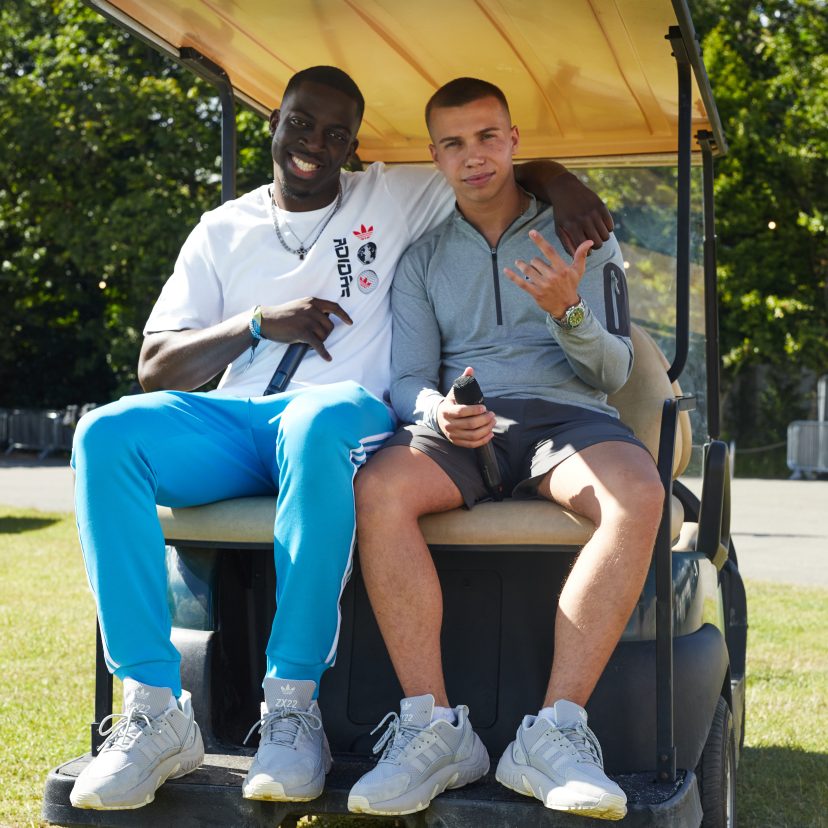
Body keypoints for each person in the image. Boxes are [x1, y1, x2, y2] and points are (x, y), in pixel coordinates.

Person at [68, 66, 613, 811]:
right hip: (235, 423)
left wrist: (563, 184)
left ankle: (291, 710)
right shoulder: (221, 229)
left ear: (354, 147)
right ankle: (153, 710)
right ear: (275, 122)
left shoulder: (390, 195)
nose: (313, 143)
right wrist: (257, 324)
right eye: (300, 122)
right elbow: (155, 365)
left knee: (315, 420)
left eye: (335, 133)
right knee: (104, 434)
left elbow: (488, 165)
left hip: (340, 414)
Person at [348, 77, 664, 821]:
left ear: (514, 140)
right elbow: (407, 380)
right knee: (377, 489)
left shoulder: (583, 235)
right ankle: (432, 728)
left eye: (488, 137)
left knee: (639, 494)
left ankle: (553, 732)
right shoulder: (422, 258)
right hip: (467, 421)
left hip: (567, 417)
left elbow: (613, 372)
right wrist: (437, 411)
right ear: (436, 157)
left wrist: (570, 312)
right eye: (454, 144)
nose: (475, 156)